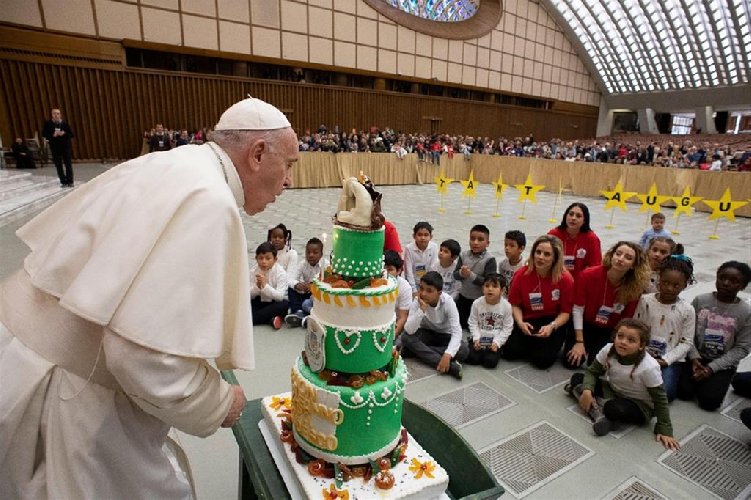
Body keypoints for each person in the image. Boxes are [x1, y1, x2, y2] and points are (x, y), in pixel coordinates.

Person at [0, 97, 298, 498]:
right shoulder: (209, 201)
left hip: (24, 359)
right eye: (290, 166)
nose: (290, 182)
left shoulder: (173, 163)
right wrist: (218, 401)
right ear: (258, 154)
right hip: (77, 394)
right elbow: (144, 358)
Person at [565, 319, 679, 449]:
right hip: (614, 391)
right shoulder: (608, 349)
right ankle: (601, 416)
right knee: (578, 378)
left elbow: (660, 399)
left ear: (641, 345)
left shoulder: (649, 367)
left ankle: (590, 403)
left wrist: (665, 428)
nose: (623, 342)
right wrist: (587, 391)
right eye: (620, 336)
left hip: (638, 405)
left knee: (613, 408)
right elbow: (592, 372)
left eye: (631, 340)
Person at [678, 261, 751, 411]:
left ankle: (717, 379)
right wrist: (694, 357)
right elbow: (686, 332)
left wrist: (712, 368)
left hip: (722, 362)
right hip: (695, 357)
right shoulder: (700, 301)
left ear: (743, 286)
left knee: (709, 402)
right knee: (683, 393)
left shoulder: (746, 312)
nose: (726, 283)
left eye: (734, 281)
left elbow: (742, 348)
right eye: (722, 278)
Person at [563, 241, 648, 369]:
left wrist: (615, 343)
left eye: (628, 258)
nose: (621, 259)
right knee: (572, 362)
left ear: (633, 265)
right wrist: (579, 342)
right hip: (585, 324)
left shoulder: (634, 287)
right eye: (618, 254)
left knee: (596, 364)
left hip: (609, 329)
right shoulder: (588, 275)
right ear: (611, 255)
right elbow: (577, 310)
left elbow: (626, 321)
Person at [502, 235, 574, 369]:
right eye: (538, 252)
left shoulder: (565, 279)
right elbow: (515, 305)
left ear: (555, 258)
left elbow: (566, 313)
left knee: (541, 362)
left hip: (551, 320)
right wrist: (520, 323)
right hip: (527, 317)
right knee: (509, 352)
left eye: (547, 254)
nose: (541, 257)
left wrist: (552, 326)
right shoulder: (521, 274)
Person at [634, 256, 696, 401]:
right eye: (665, 282)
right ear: (658, 279)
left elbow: (687, 342)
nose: (669, 288)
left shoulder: (687, 310)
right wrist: (640, 351)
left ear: (685, 285)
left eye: (676, 285)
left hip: (670, 359)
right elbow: (636, 326)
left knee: (666, 394)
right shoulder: (645, 300)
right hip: (643, 353)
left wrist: (666, 360)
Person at [402, 271, 468, 379]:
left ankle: (415, 351)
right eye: (421, 288)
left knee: (463, 350)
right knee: (406, 337)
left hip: (445, 335)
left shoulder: (448, 302)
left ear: (439, 292)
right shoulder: (418, 300)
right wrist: (421, 310)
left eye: (429, 291)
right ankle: (451, 368)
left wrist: (447, 354)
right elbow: (409, 330)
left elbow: (457, 331)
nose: (423, 293)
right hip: (426, 333)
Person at [453, 224, 497, 329]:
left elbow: (489, 283)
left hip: (479, 301)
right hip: (463, 297)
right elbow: (455, 274)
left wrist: (470, 275)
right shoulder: (463, 255)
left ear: (487, 243)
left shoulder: (490, 259)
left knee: (475, 326)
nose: (475, 242)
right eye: (472, 239)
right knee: (460, 324)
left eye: (480, 239)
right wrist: (461, 274)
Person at [466, 273, 513, 369]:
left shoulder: (506, 306)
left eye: (494, 286)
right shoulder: (477, 303)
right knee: (472, 359)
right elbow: (473, 322)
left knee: (490, 362)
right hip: (480, 337)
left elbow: (507, 328)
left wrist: (497, 342)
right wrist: (476, 338)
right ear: (483, 288)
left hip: (494, 339)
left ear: (502, 290)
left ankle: (498, 351)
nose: (490, 289)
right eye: (487, 286)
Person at [548, 202, 601, 281]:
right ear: (565, 216)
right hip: (555, 278)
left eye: (578, 216)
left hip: (580, 281)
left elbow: (595, 267)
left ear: (584, 221)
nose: (573, 218)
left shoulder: (591, 238)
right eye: (571, 214)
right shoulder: (554, 234)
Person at [285, 237, 327, 327]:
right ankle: (299, 312)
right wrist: (297, 285)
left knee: (307, 304)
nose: (311, 255)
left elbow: (325, 283)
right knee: (291, 289)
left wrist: (313, 286)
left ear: (321, 254)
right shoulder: (303, 263)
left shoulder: (325, 265)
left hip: (316, 296)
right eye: (308, 252)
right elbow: (291, 279)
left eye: (315, 253)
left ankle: (308, 315)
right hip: (305, 292)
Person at [250, 242, 289, 330]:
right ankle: (270, 319)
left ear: (275, 259)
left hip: (273, 303)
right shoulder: (253, 271)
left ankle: (254, 319)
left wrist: (264, 286)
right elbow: (248, 294)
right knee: (246, 306)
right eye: (261, 258)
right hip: (258, 301)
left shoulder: (281, 272)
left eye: (268, 258)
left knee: (284, 304)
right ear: (256, 258)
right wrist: (257, 287)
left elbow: (279, 296)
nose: (264, 262)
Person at [42, 108, 75, 187]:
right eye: (54, 113)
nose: (56, 115)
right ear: (52, 115)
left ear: (60, 115)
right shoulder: (48, 124)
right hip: (55, 147)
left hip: (65, 147)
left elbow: (71, 135)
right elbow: (44, 134)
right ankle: (63, 182)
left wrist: (64, 133)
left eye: (58, 113)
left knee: (68, 164)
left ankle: (70, 181)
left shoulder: (64, 124)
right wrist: (52, 135)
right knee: (58, 165)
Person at [384, 250, 412, 343]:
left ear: (399, 271)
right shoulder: (375, 284)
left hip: (395, 325)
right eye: (383, 269)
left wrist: (390, 338)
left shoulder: (405, 287)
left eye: (389, 269)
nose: (385, 273)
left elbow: (402, 317)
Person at [404, 221, 438, 294]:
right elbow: (408, 272)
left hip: (428, 282)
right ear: (414, 236)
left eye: (426, 235)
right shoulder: (409, 248)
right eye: (419, 235)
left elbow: (433, 268)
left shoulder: (434, 247)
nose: (423, 238)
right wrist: (414, 290)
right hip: (413, 282)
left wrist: (427, 287)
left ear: (431, 237)